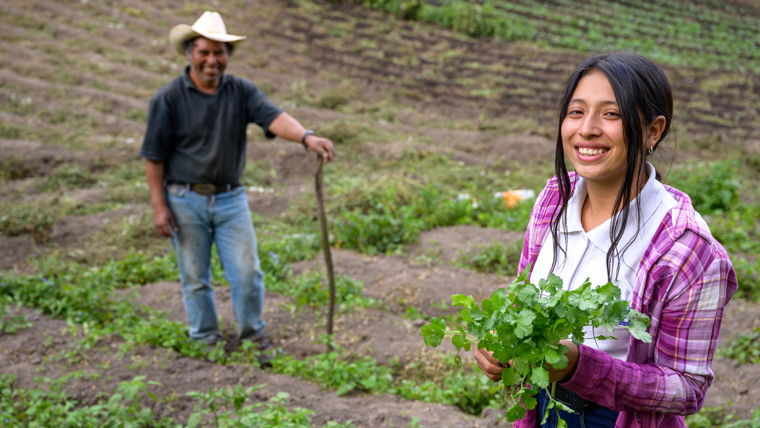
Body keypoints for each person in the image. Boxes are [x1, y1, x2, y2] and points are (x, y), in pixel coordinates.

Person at [474, 52, 737, 428]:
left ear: (653, 131)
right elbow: (522, 300)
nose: (587, 129)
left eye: (611, 115)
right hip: (542, 406)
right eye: (577, 112)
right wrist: (498, 342)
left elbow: (687, 387)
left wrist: (581, 368)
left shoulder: (686, 248)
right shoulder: (553, 199)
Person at [139, 11, 335, 352]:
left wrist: (307, 137)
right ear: (189, 54)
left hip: (230, 199)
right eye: (204, 52)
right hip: (184, 199)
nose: (212, 60)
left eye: (219, 53)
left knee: (247, 273)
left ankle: (253, 336)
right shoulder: (168, 98)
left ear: (228, 56)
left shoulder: (241, 91)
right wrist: (159, 206)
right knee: (195, 277)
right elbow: (154, 157)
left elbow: (273, 117)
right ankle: (205, 338)